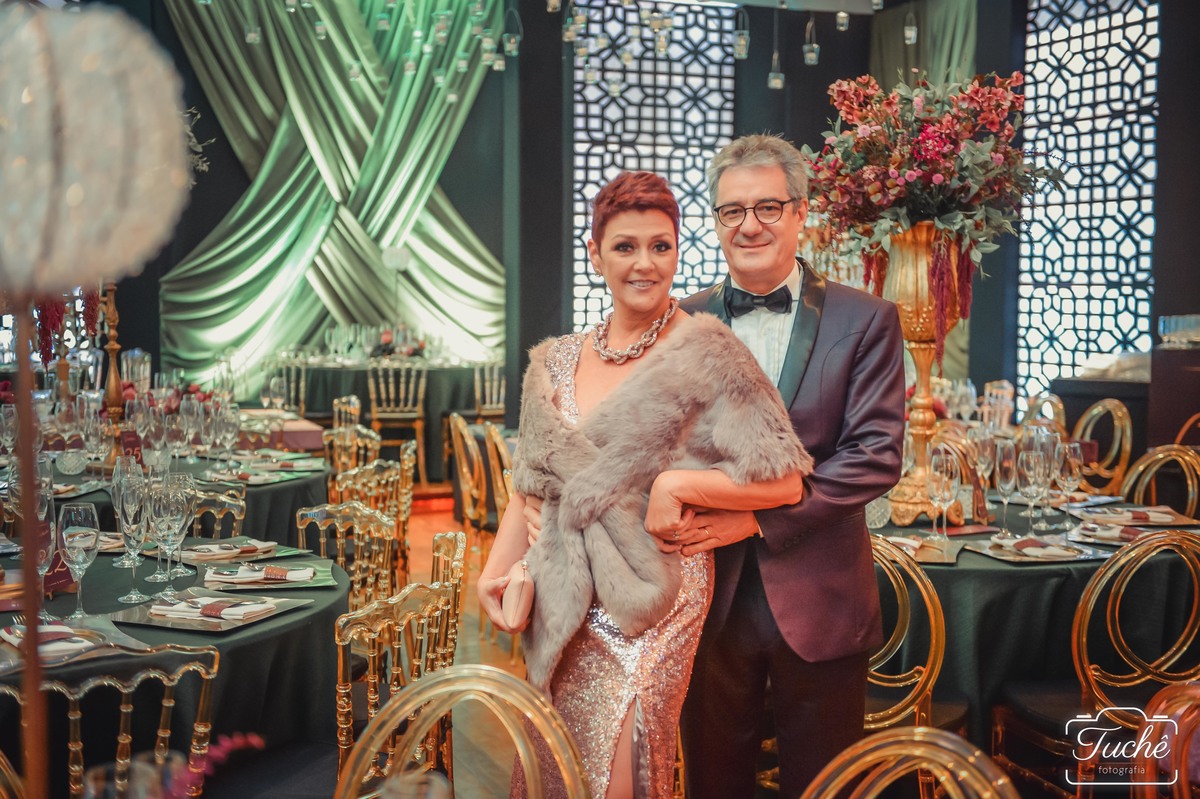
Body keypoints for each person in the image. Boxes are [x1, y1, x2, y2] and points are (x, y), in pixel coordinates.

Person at [477, 170, 814, 799]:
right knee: (556, 767)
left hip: (655, 591)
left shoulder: (709, 350)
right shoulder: (555, 358)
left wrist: (678, 486)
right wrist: (497, 573)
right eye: (626, 247)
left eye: (661, 246)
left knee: (622, 772)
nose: (645, 264)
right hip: (563, 587)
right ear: (595, 253)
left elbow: (785, 481)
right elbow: (530, 489)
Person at [663, 134, 906, 798]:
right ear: (716, 221)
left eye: (768, 206)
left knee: (824, 785)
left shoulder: (867, 319)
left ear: (801, 212)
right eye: (731, 210)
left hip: (822, 596)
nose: (750, 225)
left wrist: (756, 519)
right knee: (712, 782)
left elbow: (874, 455)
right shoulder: (680, 321)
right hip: (706, 596)